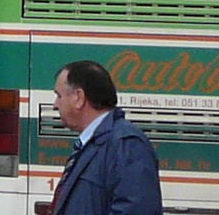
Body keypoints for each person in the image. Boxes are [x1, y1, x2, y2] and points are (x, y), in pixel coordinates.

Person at [45, 60, 161, 215]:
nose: (55, 105)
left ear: (79, 97)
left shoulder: (127, 144)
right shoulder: (92, 144)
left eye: (59, 96)